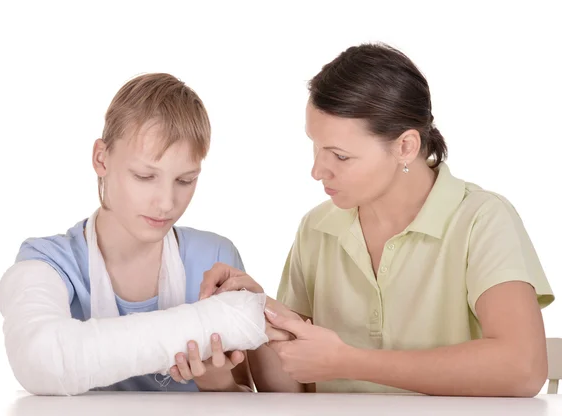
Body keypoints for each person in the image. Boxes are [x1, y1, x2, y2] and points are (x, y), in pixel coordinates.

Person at [198, 43, 555, 397]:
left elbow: (522, 368)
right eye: (316, 146)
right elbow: (296, 388)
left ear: (405, 147)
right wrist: (260, 314)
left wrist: (349, 362)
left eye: (340, 155)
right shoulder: (317, 229)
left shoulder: (481, 220)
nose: (317, 170)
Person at [0, 73, 280, 396]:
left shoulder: (215, 259)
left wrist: (216, 383)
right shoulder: (50, 264)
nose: (166, 203)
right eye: (145, 176)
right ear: (101, 159)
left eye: (185, 181)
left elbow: (245, 396)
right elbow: (42, 360)